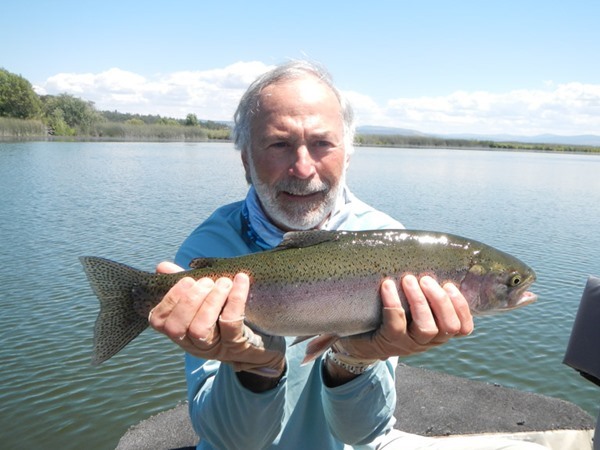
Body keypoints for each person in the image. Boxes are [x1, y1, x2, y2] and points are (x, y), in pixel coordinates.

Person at [148, 61, 547, 449]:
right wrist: (256, 369)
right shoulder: (209, 252)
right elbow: (233, 443)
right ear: (246, 162)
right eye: (279, 144)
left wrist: (355, 359)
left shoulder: (393, 242)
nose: (303, 168)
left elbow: (362, 434)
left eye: (321, 143)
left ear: (348, 154)